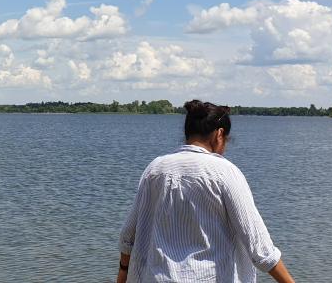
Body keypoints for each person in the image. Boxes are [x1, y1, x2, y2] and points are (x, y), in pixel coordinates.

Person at [117, 100, 295, 283]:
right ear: (219, 135)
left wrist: (122, 274)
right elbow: (259, 245)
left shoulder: (155, 169)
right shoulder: (225, 172)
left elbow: (129, 235)